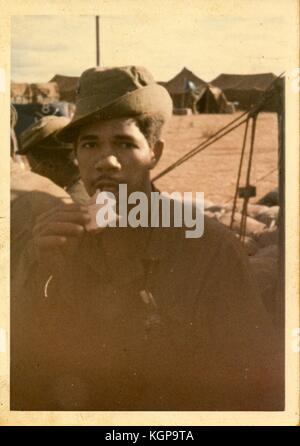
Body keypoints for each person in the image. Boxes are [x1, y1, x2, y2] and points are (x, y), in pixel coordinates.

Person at [11, 66, 284, 411]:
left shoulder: (207, 246)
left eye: (124, 144)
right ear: (77, 157)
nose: (106, 161)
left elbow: (254, 388)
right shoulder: (56, 238)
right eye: (90, 144)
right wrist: (41, 275)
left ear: (154, 153)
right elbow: (27, 375)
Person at [17, 115, 89, 204]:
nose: (32, 172)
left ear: (50, 166)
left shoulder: (72, 203)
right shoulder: (92, 182)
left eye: (32, 166)